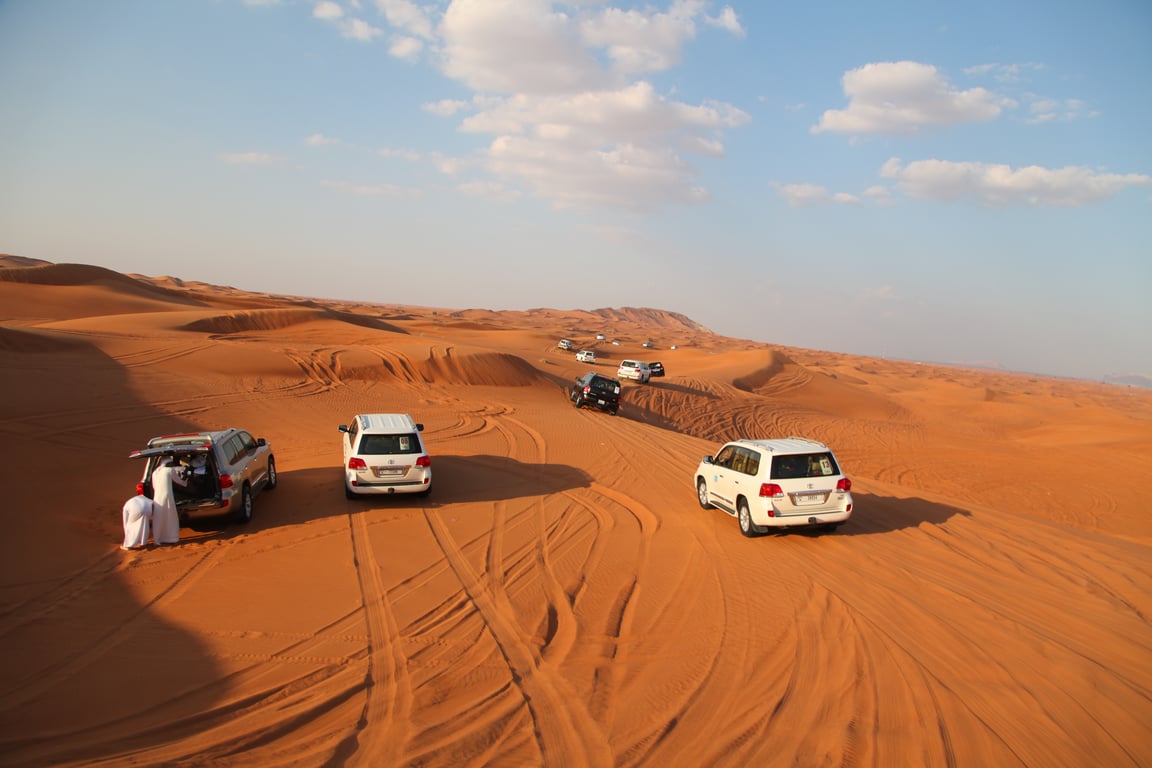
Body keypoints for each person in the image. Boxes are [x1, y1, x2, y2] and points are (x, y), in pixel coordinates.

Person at [151, 454, 188, 545]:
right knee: (170, 516)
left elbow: (154, 486)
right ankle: (171, 538)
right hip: (167, 496)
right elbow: (180, 482)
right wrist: (186, 481)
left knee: (159, 517)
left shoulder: (155, 472)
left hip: (157, 497)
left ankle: (158, 539)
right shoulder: (169, 470)